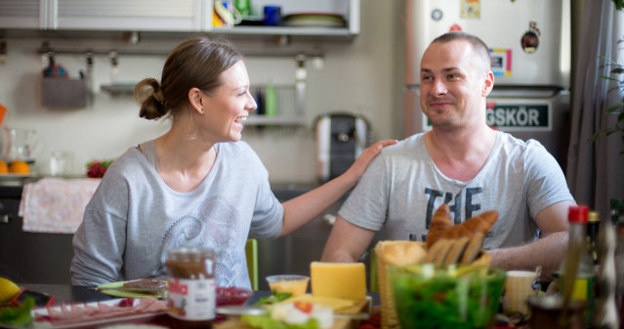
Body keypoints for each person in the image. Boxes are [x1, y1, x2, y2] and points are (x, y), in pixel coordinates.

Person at [70, 37, 396, 288]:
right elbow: (90, 283)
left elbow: (277, 221)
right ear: (198, 100)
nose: (252, 104)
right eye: (240, 93)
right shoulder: (128, 179)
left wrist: (351, 176)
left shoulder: (243, 162)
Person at [321, 31, 575, 279]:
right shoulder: (390, 163)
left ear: (486, 83)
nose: (436, 89)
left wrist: (485, 262)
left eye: (452, 76)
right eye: (427, 78)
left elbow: (573, 241)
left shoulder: (527, 161)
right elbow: (338, 253)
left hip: (507, 318)